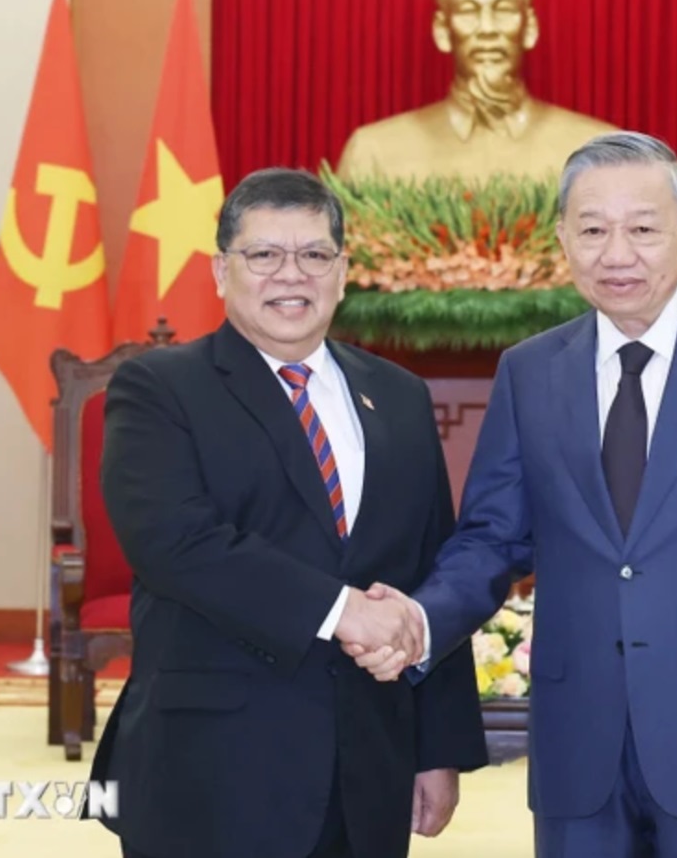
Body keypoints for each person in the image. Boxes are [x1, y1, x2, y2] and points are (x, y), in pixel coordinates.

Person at [348, 132, 677, 857]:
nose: (617, 254)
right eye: (592, 230)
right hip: (577, 747)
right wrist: (420, 620)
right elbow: (494, 536)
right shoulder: (531, 371)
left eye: (643, 229)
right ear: (562, 239)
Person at [86, 167, 488, 858]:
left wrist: (437, 747)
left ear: (342, 271)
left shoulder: (397, 396)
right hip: (212, 764)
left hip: (367, 766)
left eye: (313, 255)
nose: (289, 275)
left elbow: (428, 562)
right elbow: (176, 542)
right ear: (221, 271)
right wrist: (343, 610)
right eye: (263, 255)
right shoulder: (159, 388)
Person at [335, 0, 616, 183]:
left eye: (504, 9)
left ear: (529, 27)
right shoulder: (374, 153)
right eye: (468, 11)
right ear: (443, 30)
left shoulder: (597, 151)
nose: (487, 28)